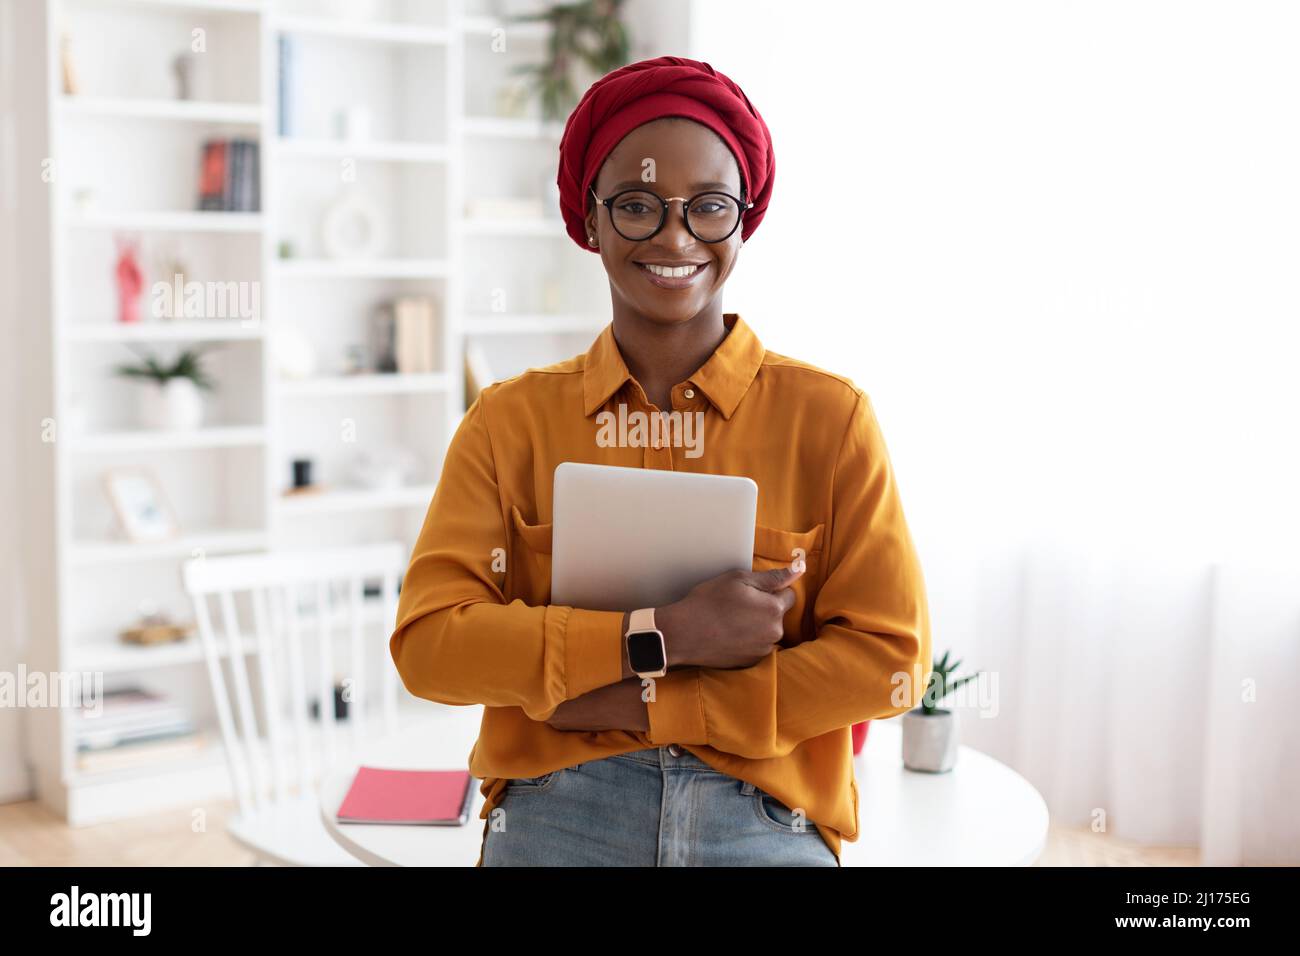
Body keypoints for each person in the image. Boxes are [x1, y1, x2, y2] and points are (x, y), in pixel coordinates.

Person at [390, 55, 932, 866]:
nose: (676, 237)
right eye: (638, 206)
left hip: (764, 816)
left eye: (708, 207)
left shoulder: (831, 419)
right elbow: (431, 646)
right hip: (559, 809)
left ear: (744, 220)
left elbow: (893, 663)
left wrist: (641, 702)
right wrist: (666, 633)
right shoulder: (507, 423)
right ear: (591, 222)